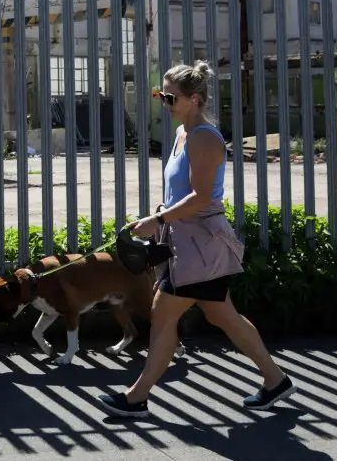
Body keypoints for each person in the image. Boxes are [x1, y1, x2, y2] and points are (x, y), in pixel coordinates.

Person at [96, 60, 297, 418]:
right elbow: (181, 194)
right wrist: (161, 220)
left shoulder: (204, 138)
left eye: (171, 98)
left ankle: (136, 397)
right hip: (186, 243)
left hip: (199, 245)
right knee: (223, 316)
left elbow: (201, 197)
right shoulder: (182, 134)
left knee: (164, 314)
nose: (165, 103)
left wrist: (157, 218)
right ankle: (276, 380)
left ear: (196, 99)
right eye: (162, 95)